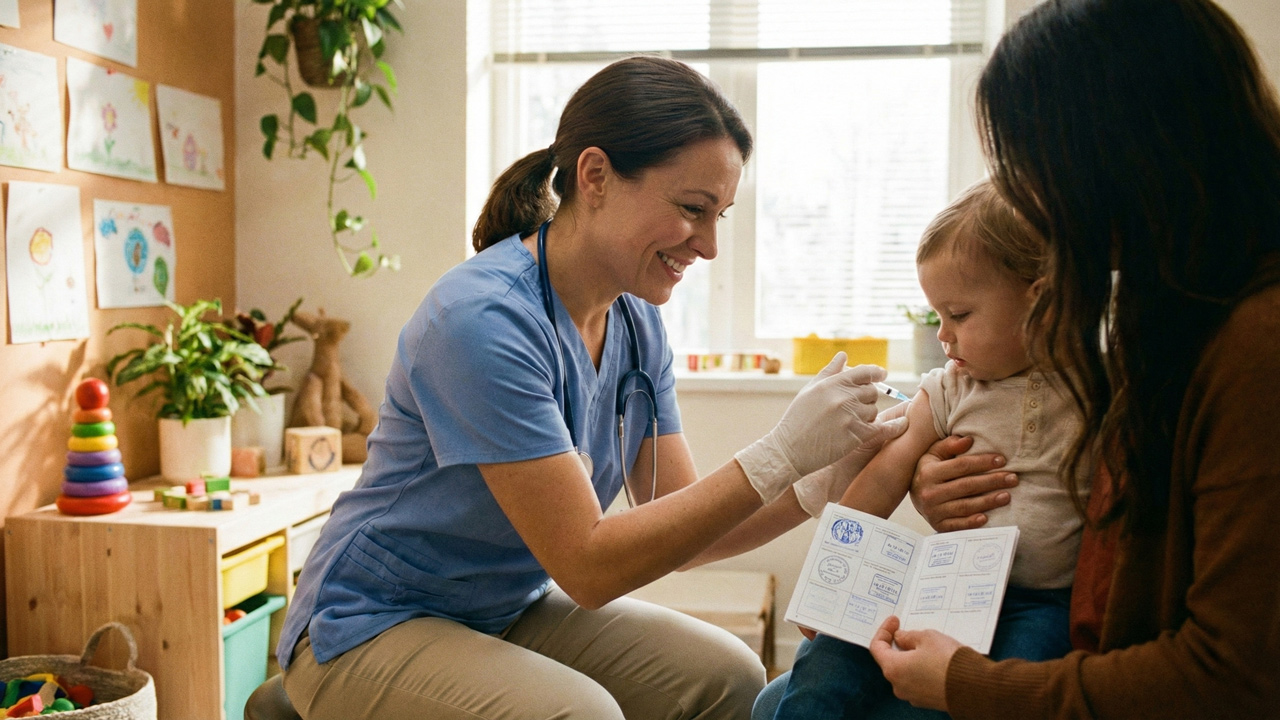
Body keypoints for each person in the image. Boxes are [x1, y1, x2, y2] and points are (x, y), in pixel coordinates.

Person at [274, 55, 907, 720]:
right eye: (694, 209)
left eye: (720, 214)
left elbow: (685, 524)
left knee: (730, 676)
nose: (711, 246)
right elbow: (588, 567)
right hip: (366, 624)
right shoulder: (480, 322)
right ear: (596, 176)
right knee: (583, 715)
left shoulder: (635, 323)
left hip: (498, 608)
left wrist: (813, 482)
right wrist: (780, 451)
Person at [866, 0, 1280, 717]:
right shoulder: (1177, 311)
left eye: (1035, 166)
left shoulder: (1256, 346)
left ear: (1114, 157)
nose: (1033, 202)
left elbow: (1230, 675)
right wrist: (946, 482)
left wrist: (968, 683)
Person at [759, 180, 1090, 720]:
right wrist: (828, 577)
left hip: (1041, 601)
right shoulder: (948, 388)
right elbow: (886, 472)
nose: (943, 335)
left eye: (959, 315)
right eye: (938, 316)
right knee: (827, 659)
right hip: (938, 584)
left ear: (1042, 298)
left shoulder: (1096, 390)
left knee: (1013, 685)